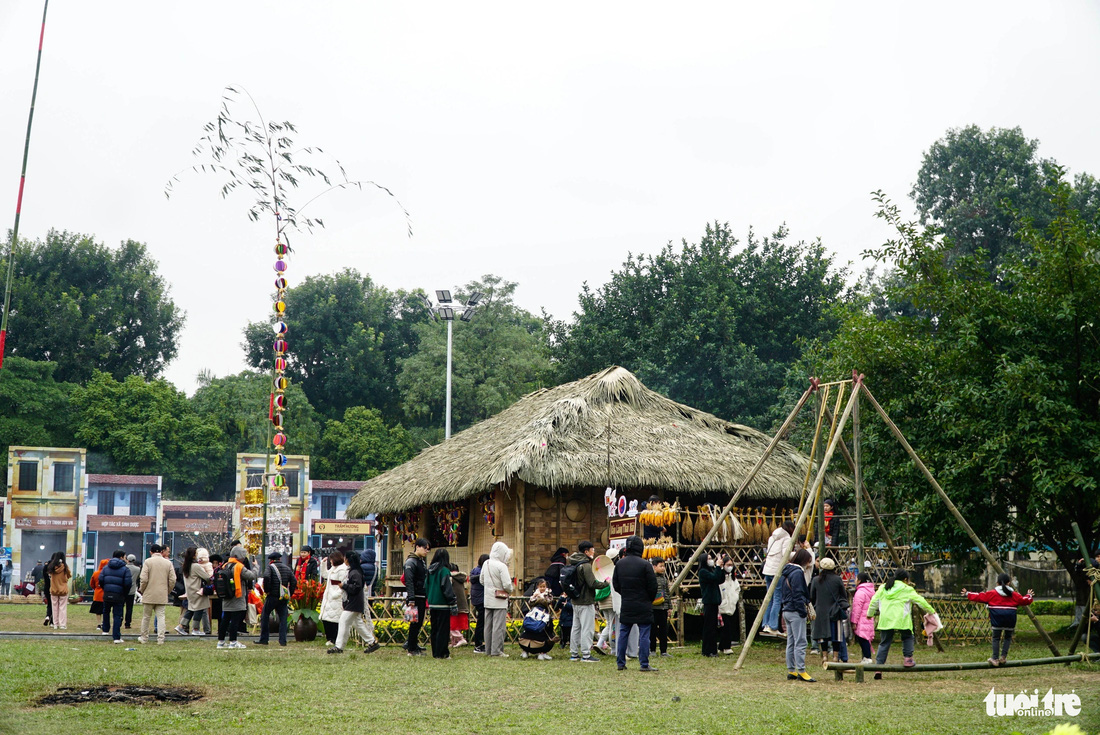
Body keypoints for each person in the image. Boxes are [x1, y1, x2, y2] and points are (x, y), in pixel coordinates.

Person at [867, 568, 937, 679]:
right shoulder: (907, 589)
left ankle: (878, 667)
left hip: (886, 619)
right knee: (908, 637)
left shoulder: (883, 587)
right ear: (905, 579)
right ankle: (908, 659)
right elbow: (920, 601)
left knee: (884, 643)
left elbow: (874, 601)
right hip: (902, 619)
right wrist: (931, 611)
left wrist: (870, 614)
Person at [962, 573, 1034, 666]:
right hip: (1010, 619)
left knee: (996, 638)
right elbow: (1025, 600)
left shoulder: (992, 594)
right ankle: (1003, 657)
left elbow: (979, 596)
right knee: (1007, 638)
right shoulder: (1014, 595)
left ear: (997, 583)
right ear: (1009, 583)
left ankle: (995, 658)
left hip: (997, 619)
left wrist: (968, 593)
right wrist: (1029, 595)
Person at [612, 535, 658, 672]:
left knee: (623, 633)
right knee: (644, 634)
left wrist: (625, 594)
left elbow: (616, 585)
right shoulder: (645, 565)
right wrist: (648, 598)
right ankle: (644, 664)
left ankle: (620, 663)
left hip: (627, 602)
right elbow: (653, 586)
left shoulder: (620, 564)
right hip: (643, 603)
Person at [327, 550, 381, 655]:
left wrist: (344, 586)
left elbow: (356, 587)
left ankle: (339, 646)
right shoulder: (355, 571)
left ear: (348, 559)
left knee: (343, 622)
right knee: (358, 623)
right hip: (355, 602)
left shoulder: (354, 572)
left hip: (353, 602)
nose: (344, 560)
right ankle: (372, 642)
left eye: (345, 558)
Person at [566, 540, 608, 663]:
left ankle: (574, 654)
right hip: (586, 601)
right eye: (592, 550)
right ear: (586, 551)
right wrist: (606, 584)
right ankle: (586, 654)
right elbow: (592, 583)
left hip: (575, 600)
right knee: (587, 628)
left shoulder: (574, 562)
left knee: (576, 628)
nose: (594, 552)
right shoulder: (586, 565)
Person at [781, 548, 815, 682]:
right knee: (800, 641)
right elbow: (798, 593)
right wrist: (802, 611)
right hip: (795, 611)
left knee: (791, 642)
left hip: (786, 610)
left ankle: (791, 670)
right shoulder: (797, 573)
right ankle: (801, 670)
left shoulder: (787, 571)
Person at [215, 546, 255, 649]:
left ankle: (221, 642)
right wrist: (256, 567)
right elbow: (251, 576)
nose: (244, 558)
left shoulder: (225, 565)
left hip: (227, 597)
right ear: (238, 556)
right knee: (235, 621)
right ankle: (233, 641)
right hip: (237, 597)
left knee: (225, 620)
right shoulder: (239, 567)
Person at [809, 557, 848, 662]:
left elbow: (812, 596)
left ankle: (825, 656)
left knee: (822, 635)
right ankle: (835, 656)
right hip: (835, 610)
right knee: (837, 634)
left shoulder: (816, 580)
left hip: (820, 610)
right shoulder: (837, 579)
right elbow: (843, 595)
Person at [761, 520, 795, 636]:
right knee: (777, 598)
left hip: (767, 570)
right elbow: (786, 554)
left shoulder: (772, 537)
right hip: (777, 571)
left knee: (768, 598)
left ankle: (766, 624)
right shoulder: (786, 539)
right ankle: (773, 625)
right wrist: (797, 554)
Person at [139, 544, 177, 645]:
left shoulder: (147, 562)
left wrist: (142, 590)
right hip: (162, 593)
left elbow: (143, 579)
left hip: (149, 593)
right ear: (161, 552)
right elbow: (173, 579)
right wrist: (167, 590)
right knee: (161, 616)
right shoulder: (168, 563)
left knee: (146, 617)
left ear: (151, 552)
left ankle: (144, 638)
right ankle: (161, 639)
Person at [482, 540, 514, 658]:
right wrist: (510, 590)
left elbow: (481, 580)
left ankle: (488, 650)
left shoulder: (486, 563)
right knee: (498, 626)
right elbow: (506, 585)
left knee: (488, 626)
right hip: (499, 600)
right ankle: (497, 651)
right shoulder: (502, 566)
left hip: (487, 599)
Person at [425, 548, 458, 659]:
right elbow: (447, 588)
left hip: (432, 603)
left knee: (434, 629)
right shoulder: (444, 571)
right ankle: (443, 653)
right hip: (443, 604)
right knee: (443, 630)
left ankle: (435, 652)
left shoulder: (430, 570)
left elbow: (426, 586)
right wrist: (452, 602)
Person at [257, 551, 295, 646]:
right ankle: (283, 640)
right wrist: (290, 592)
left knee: (265, 615)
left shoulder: (270, 567)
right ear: (280, 559)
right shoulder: (287, 568)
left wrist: (267, 590)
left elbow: (266, 576)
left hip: (272, 596)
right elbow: (294, 581)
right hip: (283, 597)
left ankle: (264, 639)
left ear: (270, 560)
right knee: (283, 618)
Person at [402, 538, 430, 656]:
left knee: (418, 622)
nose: (426, 551)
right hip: (416, 596)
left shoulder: (421, 561)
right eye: (425, 548)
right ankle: (411, 648)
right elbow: (409, 581)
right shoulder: (411, 562)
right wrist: (411, 598)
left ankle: (412, 644)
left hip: (421, 595)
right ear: (417, 547)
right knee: (415, 623)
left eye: (428, 549)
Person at [518, 578, 557, 660]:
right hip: (540, 644)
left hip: (524, 643)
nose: (542, 588)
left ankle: (525, 651)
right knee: (548, 633)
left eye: (544, 586)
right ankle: (542, 652)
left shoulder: (529, 615)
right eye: (541, 586)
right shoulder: (546, 617)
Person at [178, 547, 213, 636]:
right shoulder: (196, 566)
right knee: (199, 609)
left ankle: (181, 625)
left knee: (191, 610)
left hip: (190, 591)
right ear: (194, 556)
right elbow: (206, 577)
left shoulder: (186, 566)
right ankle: (195, 628)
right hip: (198, 591)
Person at [99, 550, 133, 643]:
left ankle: (105, 630)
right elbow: (128, 583)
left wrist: (105, 588)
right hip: (119, 595)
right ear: (121, 557)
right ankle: (116, 637)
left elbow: (101, 580)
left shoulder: (105, 568)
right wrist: (124, 593)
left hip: (107, 593)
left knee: (106, 612)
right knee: (117, 615)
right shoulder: (125, 569)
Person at [697, 551, 724, 657]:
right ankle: (708, 650)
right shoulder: (703, 572)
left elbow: (720, 579)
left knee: (712, 626)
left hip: (714, 601)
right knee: (709, 627)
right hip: (709, 601)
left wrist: (720, 568)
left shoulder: (711, 570)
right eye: (708, 558)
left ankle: (711, 650)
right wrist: (717, 567)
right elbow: (715, 578)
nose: (710, 560)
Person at [595, 546, 620, 655]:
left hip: (602, 601)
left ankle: (600, 644)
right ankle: (613, 649)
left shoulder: (601, 570)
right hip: (612, 601)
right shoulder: (614, 569)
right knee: (612, 626)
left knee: (609, 624)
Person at [319, 550, 347, 646]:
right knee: (326, 619)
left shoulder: (342, 570)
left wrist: (336, 594)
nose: (330, 562)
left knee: (335, 620)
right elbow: (325, 575)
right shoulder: (333, 568)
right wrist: (323, 565)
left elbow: (344, 583)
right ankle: (329, 638)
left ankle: (334, 639)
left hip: (336, 598)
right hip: (329, 598)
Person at [849, 572, 876, 664]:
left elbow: (857, 608)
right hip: (868, 618)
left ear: (859, 580)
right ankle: (867, 656)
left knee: (862, 638)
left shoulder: (860, 592)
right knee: (866, 637)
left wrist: (854, 621)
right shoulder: (871, 591)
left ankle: (867, 657)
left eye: (856, 579)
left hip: (861, 619)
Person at [718, 556, 741, 654]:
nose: (730, 567)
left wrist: (735, 597)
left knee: (730, 626)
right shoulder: (720, 576)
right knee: (725, 627)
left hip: (732, 604)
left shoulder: (733, 577)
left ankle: (722, 646)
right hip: (723, 605)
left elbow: (737, 589)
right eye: (728, 565)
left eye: (731, 565)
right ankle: (726, 646)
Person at [651, 558, 671, 658]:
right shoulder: (650, 578)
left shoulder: (664, 579)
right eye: (661, 566)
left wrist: (669, 607)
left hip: (663, 608)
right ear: (654, 567)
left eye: (664, 566)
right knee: (652, 630)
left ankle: (664, 651)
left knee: (664, 630)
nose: (663, 568)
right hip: (653, 608)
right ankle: (652, 650)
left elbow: (667, 593)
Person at [46, 552, 71, 630]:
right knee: (62, 607)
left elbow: (49, 574)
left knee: (54, 607)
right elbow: (69, 575)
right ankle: (62, 624)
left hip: (54, 590)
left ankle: (55, 624)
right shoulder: (65, 567)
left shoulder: (52, 567)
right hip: (63, 590)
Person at [469, 553, 489, 653]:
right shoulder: (483, 572)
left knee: (480, 623)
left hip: (475, 600)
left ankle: (479, 644)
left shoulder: (474, 570)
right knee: (481, 623)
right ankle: (479, 645)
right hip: (482, 600)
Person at [449, 563, 470, 648]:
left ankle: (460, 639)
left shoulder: (451, 578)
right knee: (456, 624)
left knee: (451, 624)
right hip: (462, 604)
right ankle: (454, 642)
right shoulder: (460, 578)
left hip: (454, 603)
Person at [90, 558, 109, 633]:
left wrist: (96, 588)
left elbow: (92, 584)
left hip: (97, 595)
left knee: (98, 611)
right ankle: (105, 622)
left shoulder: (96, 573)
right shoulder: (108, 573)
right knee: (106, 610)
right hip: (106, 594)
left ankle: (98, 624)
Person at [124, 554, 142, 629]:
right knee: (129, 607)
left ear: (127, 560)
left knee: (121, 606)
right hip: (132, 589)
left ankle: (120, 619)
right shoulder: (137, 569)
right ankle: (128, 623)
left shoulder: (124, 568)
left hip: (123, 589)